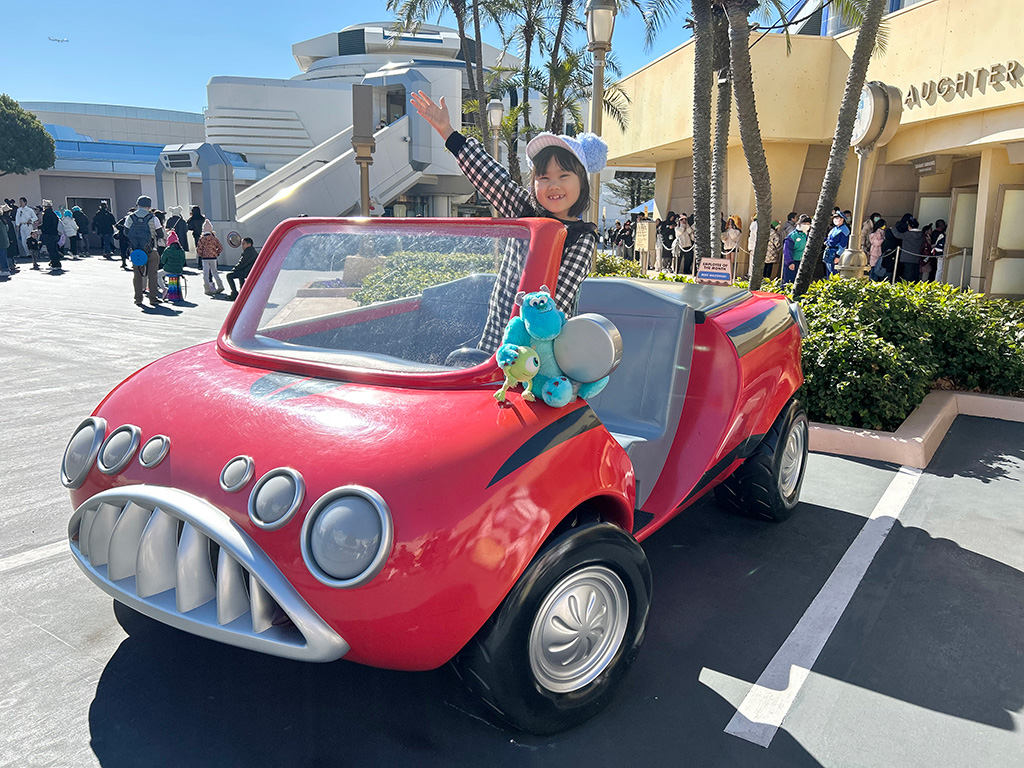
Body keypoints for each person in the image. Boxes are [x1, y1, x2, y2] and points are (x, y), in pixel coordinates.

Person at [411, 89, 606, 354]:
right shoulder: (525, 210)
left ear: (581, 181)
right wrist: (447, 131)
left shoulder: (580, 237)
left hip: (543, 353)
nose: (553, 185)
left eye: (564, 175)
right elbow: (491, 177)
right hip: (496, 341)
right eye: (544, 177)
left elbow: (555, 300)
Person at [125, 196, 164, 306]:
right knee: (152, 275)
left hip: (137, 251)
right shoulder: (153, 218)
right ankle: (153, 298)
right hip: (151, 250)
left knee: (137, 275)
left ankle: (138, 298)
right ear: (149, 206)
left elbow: (126, 232)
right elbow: (160, 234)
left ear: (137, 204)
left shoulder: (130, 217)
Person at [892, 216, 925, 282]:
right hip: (917, 257)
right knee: (915, 275)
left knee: (907, 275)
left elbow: (897, 235)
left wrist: (893, 228)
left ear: (909, 226)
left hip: (907, 257)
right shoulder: (921, 235)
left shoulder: (908, 234)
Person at [196, 220, 224, 295]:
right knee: (214, 272)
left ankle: (207, 289)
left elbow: (199, 249)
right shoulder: (214, 238)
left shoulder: (202, 239)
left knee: (206, 274)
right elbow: (220, 247)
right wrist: (216, 253)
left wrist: (201, 255)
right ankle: (220, 286)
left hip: (205, 258)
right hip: (213, 258)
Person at [159, 231, 188, 302]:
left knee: (157, 275)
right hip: (179, 270)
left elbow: (162, 261)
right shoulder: (181, 250)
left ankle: (164, 289)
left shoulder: (168, 250)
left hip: (168, 269)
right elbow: (183, 261)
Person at [783, 214, 811, 284]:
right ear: (799, 223)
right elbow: (787, 250)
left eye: (808, 224)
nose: (806, 225)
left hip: (803, 262)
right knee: (790, 282)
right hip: (793, 262)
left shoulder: (808, 235)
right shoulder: (792, 236)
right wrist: (790, 262)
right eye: (804, 223)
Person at [823, 210, 850, 276]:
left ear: (842, 219)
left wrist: (838, 256)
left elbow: (843, 244)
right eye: (834, 218)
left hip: (835, 252)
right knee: (829, 272)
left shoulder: (844, 230)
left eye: (837, 218)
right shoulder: (834, 229)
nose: (835, 220)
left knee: (834, 273)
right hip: (829, 251)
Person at [40, 200, 62, 271]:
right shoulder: (53, 214)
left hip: (49, 234)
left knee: (51, 250)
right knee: (54, 249)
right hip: (55, 234)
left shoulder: (47, 214)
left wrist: (40, 227)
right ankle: (57, 263)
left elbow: (46, 225)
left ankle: (54, 264)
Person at [0, 205, 11, 278]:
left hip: (1, 242)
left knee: (2, 256)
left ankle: (5, 269)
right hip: (5, 241)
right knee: (3, 255)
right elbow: (7, 229)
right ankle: (6, 268)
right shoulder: (3, 221)